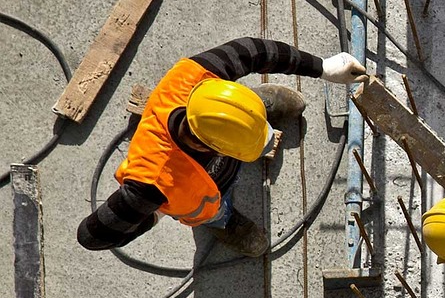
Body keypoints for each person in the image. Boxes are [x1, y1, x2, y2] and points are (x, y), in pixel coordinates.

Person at [77, 37, 366, 256]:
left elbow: (254, 51)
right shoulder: (151, 183)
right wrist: (155, 213)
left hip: (224, 115)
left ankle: (252, 108)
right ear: (215, 147)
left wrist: (323, 67)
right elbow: (91, 236)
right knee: (215, 212)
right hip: (207, 200)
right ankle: (222, 223)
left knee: (276, 107)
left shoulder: (196, 75)